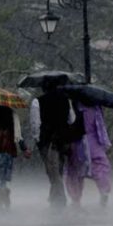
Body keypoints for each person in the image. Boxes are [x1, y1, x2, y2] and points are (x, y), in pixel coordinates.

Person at [29, 80, 80, 208]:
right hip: (63, 140)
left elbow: (35, 123)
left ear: (43, 88)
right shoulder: (66, 100)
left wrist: (37, 138)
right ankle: (54, 196)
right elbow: (72, 119)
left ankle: (59, 198)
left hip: (47, 140)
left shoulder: (37, 101)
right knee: (59, 169)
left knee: (52, 170)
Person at [64, 101, 112, 208]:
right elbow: (100, 127)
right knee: (101, 168)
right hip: (94, 143)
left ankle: (75, 198)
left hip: (77, 142)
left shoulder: (71, 106)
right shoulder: (95, 107)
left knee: (74, 172)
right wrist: (104, 142)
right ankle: (104, 191)